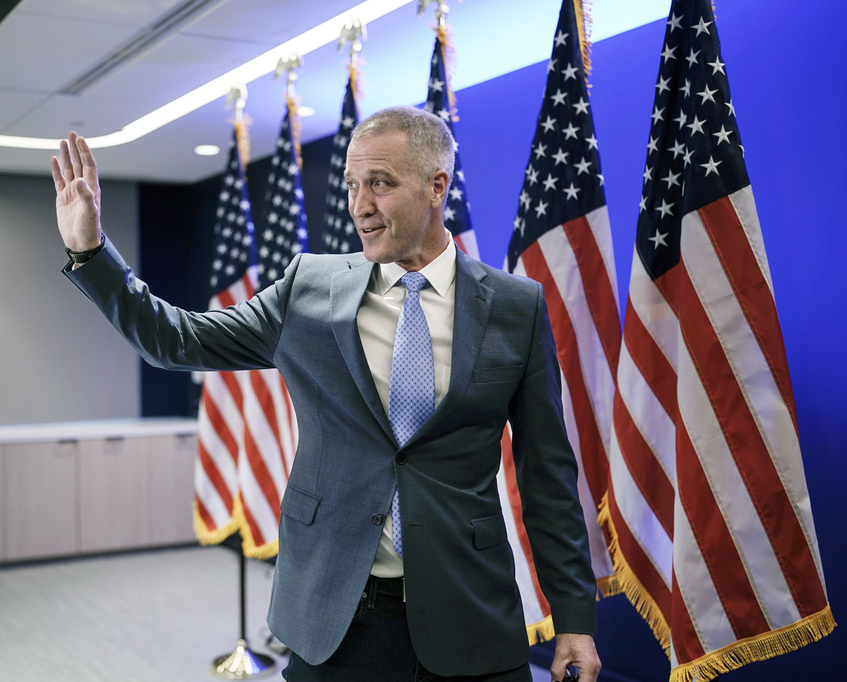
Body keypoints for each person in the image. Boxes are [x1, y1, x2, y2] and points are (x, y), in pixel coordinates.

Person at [51, 105, 602, 682]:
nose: (360, 205)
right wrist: (91, 254)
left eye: (381, 184)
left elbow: (548, 475)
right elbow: (177, 339)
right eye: (352, 184)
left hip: (469, 613)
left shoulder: (517, 307)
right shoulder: (308, 290)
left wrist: (573, 618)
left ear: (437, 186)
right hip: (336, 620)